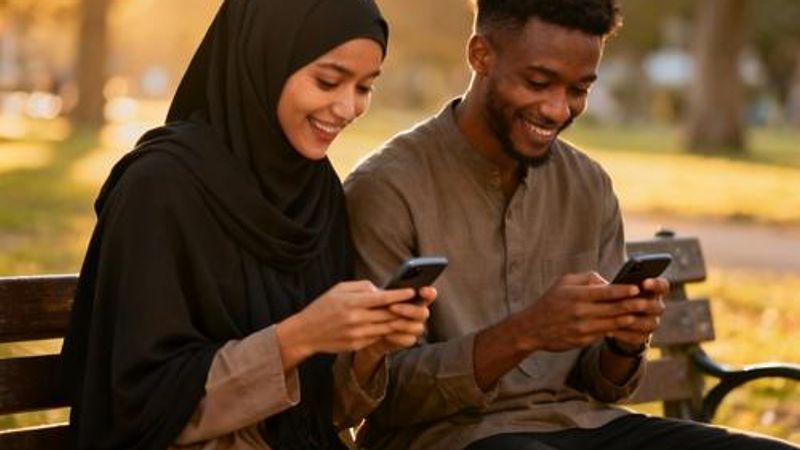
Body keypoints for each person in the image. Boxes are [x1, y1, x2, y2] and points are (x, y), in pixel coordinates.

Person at [343, 1, 799, 449]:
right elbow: (381, 395)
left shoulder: (588, 186)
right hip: (449, 437)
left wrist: (626, 341)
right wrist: (526, 332)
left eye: (579, 90)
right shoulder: (387, 189)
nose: (558, 110)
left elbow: (604, 387)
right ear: (480, 55)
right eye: (539, 82)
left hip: (584, 425)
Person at [59, 1, 436, 449]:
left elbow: (321, 415)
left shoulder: (317, 196)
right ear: (266, 59)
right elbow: (138, 404)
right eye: (329, 81)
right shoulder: (159, 188)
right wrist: (298, 336)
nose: (348, 107)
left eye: (365, 87)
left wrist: (371, 347)